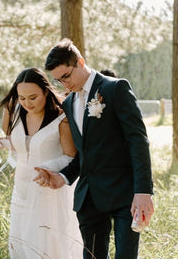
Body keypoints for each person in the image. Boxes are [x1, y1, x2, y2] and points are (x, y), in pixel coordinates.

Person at [38, 38, 154, 259]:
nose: (64, 84)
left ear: (80, 62)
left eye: (66, 76)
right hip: (89, 198)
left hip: (124, 195)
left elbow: (138, 140)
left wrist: (143, 191)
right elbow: (85, 152)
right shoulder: (69, 103)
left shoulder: (115, 88)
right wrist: (62, 177)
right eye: (58, 80)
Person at [0, 68, 82, 258]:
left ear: (46, 92)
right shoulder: (17, 112)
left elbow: (70, 156)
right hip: (20, 190)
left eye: (32, 97)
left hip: (48, 190)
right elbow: (23, 146)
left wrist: (47, 169)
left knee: (44, 245)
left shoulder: (61, 118)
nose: (26, 103)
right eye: (22, 98)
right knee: (21, 242)